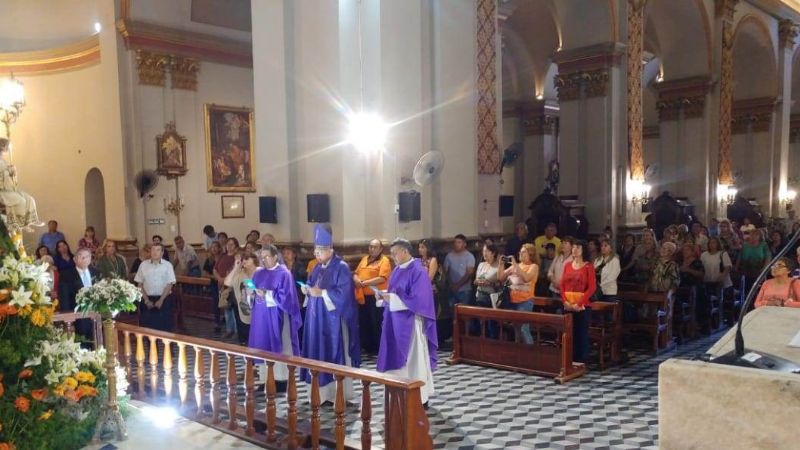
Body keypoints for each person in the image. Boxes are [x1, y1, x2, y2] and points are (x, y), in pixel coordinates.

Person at [299, 224, 361, 404]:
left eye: (319, 251)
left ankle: (337, 394)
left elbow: (344, 294)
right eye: (315, 251)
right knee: (317, 351)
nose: (316, 254)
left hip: (333, 320)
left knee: (333, 353)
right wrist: (307, 290)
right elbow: (312, 284)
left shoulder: (341, 267)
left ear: (330, 250)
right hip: (315, 319)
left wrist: (323, 293)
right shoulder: (317, 267)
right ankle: (320, 393)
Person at [375, 239, 438, 405]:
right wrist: (382, 295)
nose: (392, 257)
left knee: (414, 359)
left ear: (405, 251)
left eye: (395, 253)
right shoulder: (397, 270)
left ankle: (419, 397)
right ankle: (400, 394)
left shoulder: (418, 271)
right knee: (399, 360)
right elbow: (394, 292)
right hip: (394, 321)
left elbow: (419, 300)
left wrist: (392, 298)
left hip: (411, 324)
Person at [250, 245, 302, 384]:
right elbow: (253, 290)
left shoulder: (284, 273)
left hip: (278, 316)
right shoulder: (258, 273)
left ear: (275, 257)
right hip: (261, 317)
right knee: (262, 345)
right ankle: (265, 379)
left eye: (266, 257)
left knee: (280, 345)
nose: (263, 260)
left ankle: (281, 380)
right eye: (261, 257)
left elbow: (287, 298)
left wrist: (267, 294)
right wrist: (251, 293)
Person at [560, 240, 596, 363]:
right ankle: (569, 360)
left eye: (578, 247)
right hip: (568, 304)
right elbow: (562, 285)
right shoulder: (567, 265)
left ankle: (581, 361)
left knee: (581, 334)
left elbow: (592, 288)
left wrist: (579, 304)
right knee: (569, 333)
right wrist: (565, 302)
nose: (575, 249)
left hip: (582, 306)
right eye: (573, 247)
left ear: (583, 250)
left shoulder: (588, 266)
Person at [353, 239, 392, 354]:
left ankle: (378, 348)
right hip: (363, 296)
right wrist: (356, 280)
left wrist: (364, 283)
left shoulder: (384, 261)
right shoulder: (364, 259)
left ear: (381, 249)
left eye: (375, 247)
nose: (372, 249)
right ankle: (367, 346)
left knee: (376, 322)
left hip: (376, 297)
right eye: (370, 246)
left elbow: (382, 278)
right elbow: (356, 273)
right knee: (364, 321)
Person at [58, 248, 100, 347]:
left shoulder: (96, 272)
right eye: (81, 256)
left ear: (90, 259)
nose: (84, 259)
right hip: (78, 315)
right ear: (74, 259)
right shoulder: (66, 274)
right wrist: (68, 320)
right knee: (82, 344)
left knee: (97, 343)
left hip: (95, 314)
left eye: (87, 256)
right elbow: (64, 298)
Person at [0, 138, 42, 230]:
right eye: (4, 149)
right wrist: (8, 172)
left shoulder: (3, 161)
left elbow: (11, 179)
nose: (5, 151)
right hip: (2, 191)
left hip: (9, 189)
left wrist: (13, 172)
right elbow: (2, 178)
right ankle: (19, 224)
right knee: (21, 201)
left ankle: (31, 221)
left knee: (30, 198)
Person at [134, 243, 177, 331]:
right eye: (153, 250)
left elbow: (169, 284)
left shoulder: (168, 265)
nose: (155, 252)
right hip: (147, 299)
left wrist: (161, 300)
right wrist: (146, 300)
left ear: (162, 252)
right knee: (147, 328)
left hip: (164, 299)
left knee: (165, 328)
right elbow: (139, 284)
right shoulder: (143, 265)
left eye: (158, 250)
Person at [503, 243, 539, 344]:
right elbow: (500, 277)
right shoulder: (516, 266)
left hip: (525, 301)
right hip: (513, 300)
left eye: (523, 252)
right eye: (520, 252)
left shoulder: (533, 266)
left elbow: (526, 278)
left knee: (524, 329)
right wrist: (501, 264)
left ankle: (530, 351)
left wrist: (515, 265)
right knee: (516, 329)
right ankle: (518, 351)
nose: (520, 254)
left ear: (530, 254)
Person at [223, 251, 256, 345]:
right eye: (242, 259)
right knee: (244, 336)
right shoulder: (239, 273)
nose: (244, 261)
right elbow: (227, 282)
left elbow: (259, 289)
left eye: (247, 258)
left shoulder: (260, 271)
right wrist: (236, 267)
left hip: (257, 310)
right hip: (243, 309)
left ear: (254, 260)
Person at [474, 242, 504, 338]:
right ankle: (483, 342)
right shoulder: (481, 265)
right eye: (483, 251)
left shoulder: (498, 265)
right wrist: (478, 282)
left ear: (493, 253)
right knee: (482, 323)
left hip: (491, 297)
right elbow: (475, 280)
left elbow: (502, 283)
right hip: (480, 296)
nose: (484, 253)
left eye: (487, 251)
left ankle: (493, 342)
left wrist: (489, 283)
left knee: (492, 324)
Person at [214, 238, 239, 339]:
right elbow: (215, 269)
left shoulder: (237, 257)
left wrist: (224, 279)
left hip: (232, 286)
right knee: (226, 308)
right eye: (228, 244)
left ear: (236, 246)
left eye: (232, 244)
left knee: (234, 309)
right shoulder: (222, 256)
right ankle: (229, 330)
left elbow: (235, 270)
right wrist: (219, 278)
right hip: (222, 285)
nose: (229, 246)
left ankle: (236, 331)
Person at [443, 234, 476, 308]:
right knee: (452, 311)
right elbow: (445, 272)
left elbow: (469, 273)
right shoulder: (449, 256)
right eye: (455, 242)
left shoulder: (469, 256)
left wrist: (457, 285)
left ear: (464, 244)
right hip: (451, 290)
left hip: (464, 290)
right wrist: (451, 284)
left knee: (464, 312)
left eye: (459, 242)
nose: (456, 244)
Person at [203, 241, 224, 333]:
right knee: (216, 302)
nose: (214, 249)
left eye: (216, 247)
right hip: (214, 284)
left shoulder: (223, 258)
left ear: (219, 248)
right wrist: (214, 277)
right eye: (212, 247)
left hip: (224, 283)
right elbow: (205, 274)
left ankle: (226, 321)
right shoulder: (209, 260)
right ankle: (217, 322)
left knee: (226, 302)